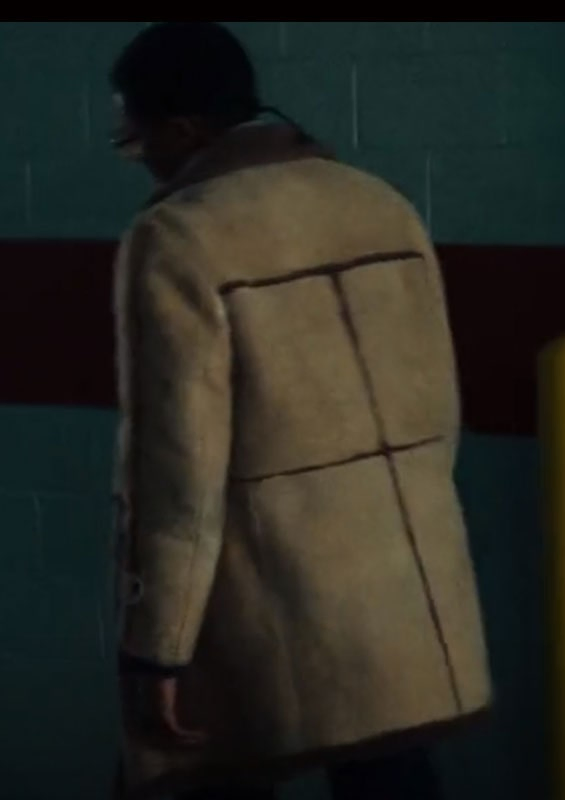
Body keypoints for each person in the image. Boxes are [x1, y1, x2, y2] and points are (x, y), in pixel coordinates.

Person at [110, 22, 492, 800]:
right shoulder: (380, 203)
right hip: (401, 591)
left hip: (262, 605)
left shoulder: (177, 236)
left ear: (183, 130)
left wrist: (157, 649)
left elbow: (179, 472)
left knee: (203, 775)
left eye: (136, 139)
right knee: (391, 774)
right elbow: (438, 409)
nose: (139, 158)